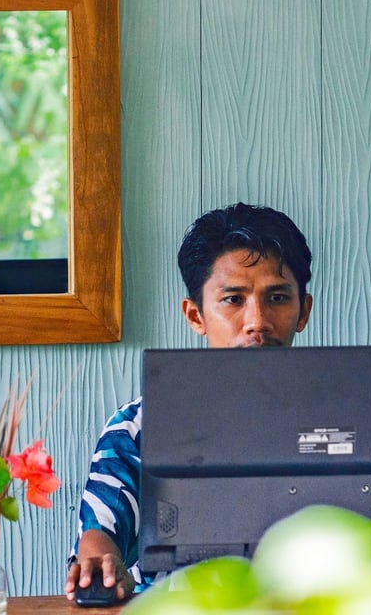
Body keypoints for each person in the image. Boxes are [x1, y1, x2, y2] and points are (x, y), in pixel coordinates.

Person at [64, 202, 315, 601]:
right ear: (195, 315)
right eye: (233, 299)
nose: (257, 321)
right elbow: (100, 535)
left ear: (303, 310)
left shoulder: (350, 419)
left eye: (278, 297)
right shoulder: (139, 426)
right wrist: (100, 560)